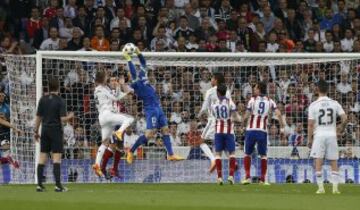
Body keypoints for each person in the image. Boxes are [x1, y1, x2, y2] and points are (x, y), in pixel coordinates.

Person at [123, 47, 184, 164]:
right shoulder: (135, 83)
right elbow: (132, 71)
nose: (131, 74)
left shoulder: (142, 76)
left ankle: (171, 154)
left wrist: (138, 52)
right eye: (129, 74)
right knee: (149, 134)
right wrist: (128, 58)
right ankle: (131, 151)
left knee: (166, 130)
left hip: (158, 107)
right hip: (150, 109)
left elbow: (143, 63)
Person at [34, 77, 74, 192]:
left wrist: (36, 131)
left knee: (42, 157)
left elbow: (38, 117)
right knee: (56, 158)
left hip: (45, 130)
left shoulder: (42, 99)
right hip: (56, 130)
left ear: (49, 87)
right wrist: (70, 116)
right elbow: (63, 120)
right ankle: (58, 185)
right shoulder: (60, 101)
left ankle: (39, 185)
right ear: (58, 87)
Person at [307, 80, 347, 194]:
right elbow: (345, 118)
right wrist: (341, 128)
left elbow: (310, 124)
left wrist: (309, 139)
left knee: (318, 160)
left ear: (317, 89)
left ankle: (320, 188)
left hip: (319, 135)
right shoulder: (334, 103)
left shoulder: (313, 105)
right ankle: (335, 189)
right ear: (328, 89)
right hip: (332, 135)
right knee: (333, 161)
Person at [92, 71, 134, 177]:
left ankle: (97, 164)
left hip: (105, 117)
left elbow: (121, 97)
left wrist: (121, 87)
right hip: (109, 115)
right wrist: (121, 86)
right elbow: (116, 98)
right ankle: (103, 167)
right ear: (104, 79)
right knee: (130, 120)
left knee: (106, 143)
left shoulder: (99, 89)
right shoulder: (104, 89)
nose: (112, 81)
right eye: (109, 79)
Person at [242, 81, 285, 185]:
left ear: (259, 89)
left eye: (255, 88)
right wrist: (282, 127)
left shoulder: (252, 100)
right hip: (262, 131)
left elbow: (247, 115)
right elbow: (278, 114)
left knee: (247, 154)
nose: (254, 90)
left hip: (251, 130)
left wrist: (243, 125)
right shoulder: (270, 101)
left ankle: (247, 177)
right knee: (263, 155)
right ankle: (263, 179)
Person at [198, 73, 231, 173]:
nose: (211, 80)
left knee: (201, 142)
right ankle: (232, 160)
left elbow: (204, 108)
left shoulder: (210, 91)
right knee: (222, 143)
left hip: (213, 121)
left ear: (216, 80)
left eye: (212, 78)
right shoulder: (227, 91)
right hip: (225, 121)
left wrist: (199, 116)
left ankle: (213, 160)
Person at [212, 84, 241, 185]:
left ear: (218, 93)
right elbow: (236, 117)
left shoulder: (214, 104)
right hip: (229, 132)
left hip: (218, 131)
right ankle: (231, 176)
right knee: (232, 153)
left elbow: (215, 117)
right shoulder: (230, 103)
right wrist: (236, 119)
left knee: (218, 154)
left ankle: (219, 178)